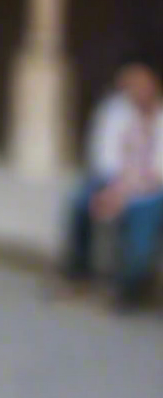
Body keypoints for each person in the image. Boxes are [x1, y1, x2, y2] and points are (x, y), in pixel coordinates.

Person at [60, 57, 163, 310]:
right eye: (130, 85)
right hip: (114, 181)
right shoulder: (114, 110)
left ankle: (129, 290)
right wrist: (113, 189)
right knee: (81, 203)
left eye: (141, 83)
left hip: (151, 189)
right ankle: (77, 275)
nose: (136, 90)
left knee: (140, 231)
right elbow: (104, 156)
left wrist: (124, 194)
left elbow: (158, 170)